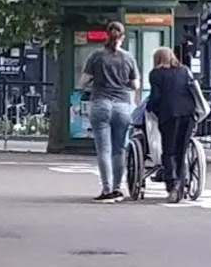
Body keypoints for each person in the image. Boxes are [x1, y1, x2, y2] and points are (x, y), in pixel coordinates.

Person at [79, 22, 140, 203]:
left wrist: (95, 83)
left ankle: (106, 190)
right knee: (119, 149)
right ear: (122, 37)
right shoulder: (128, 58)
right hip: (122, 105)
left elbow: (83, 81)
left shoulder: (96, 56)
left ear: (107, 35)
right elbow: (135, 84)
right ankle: (117, 188)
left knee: (103, 150)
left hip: (100, 103)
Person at [147, 46, 197, 203]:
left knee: (169, 151)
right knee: (181, 151)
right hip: (188, 114)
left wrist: (150, 109)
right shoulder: (184, 71)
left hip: (168, 114)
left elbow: (155, 97)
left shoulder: (156, 74)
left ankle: (173, 183)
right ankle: (181, 184)